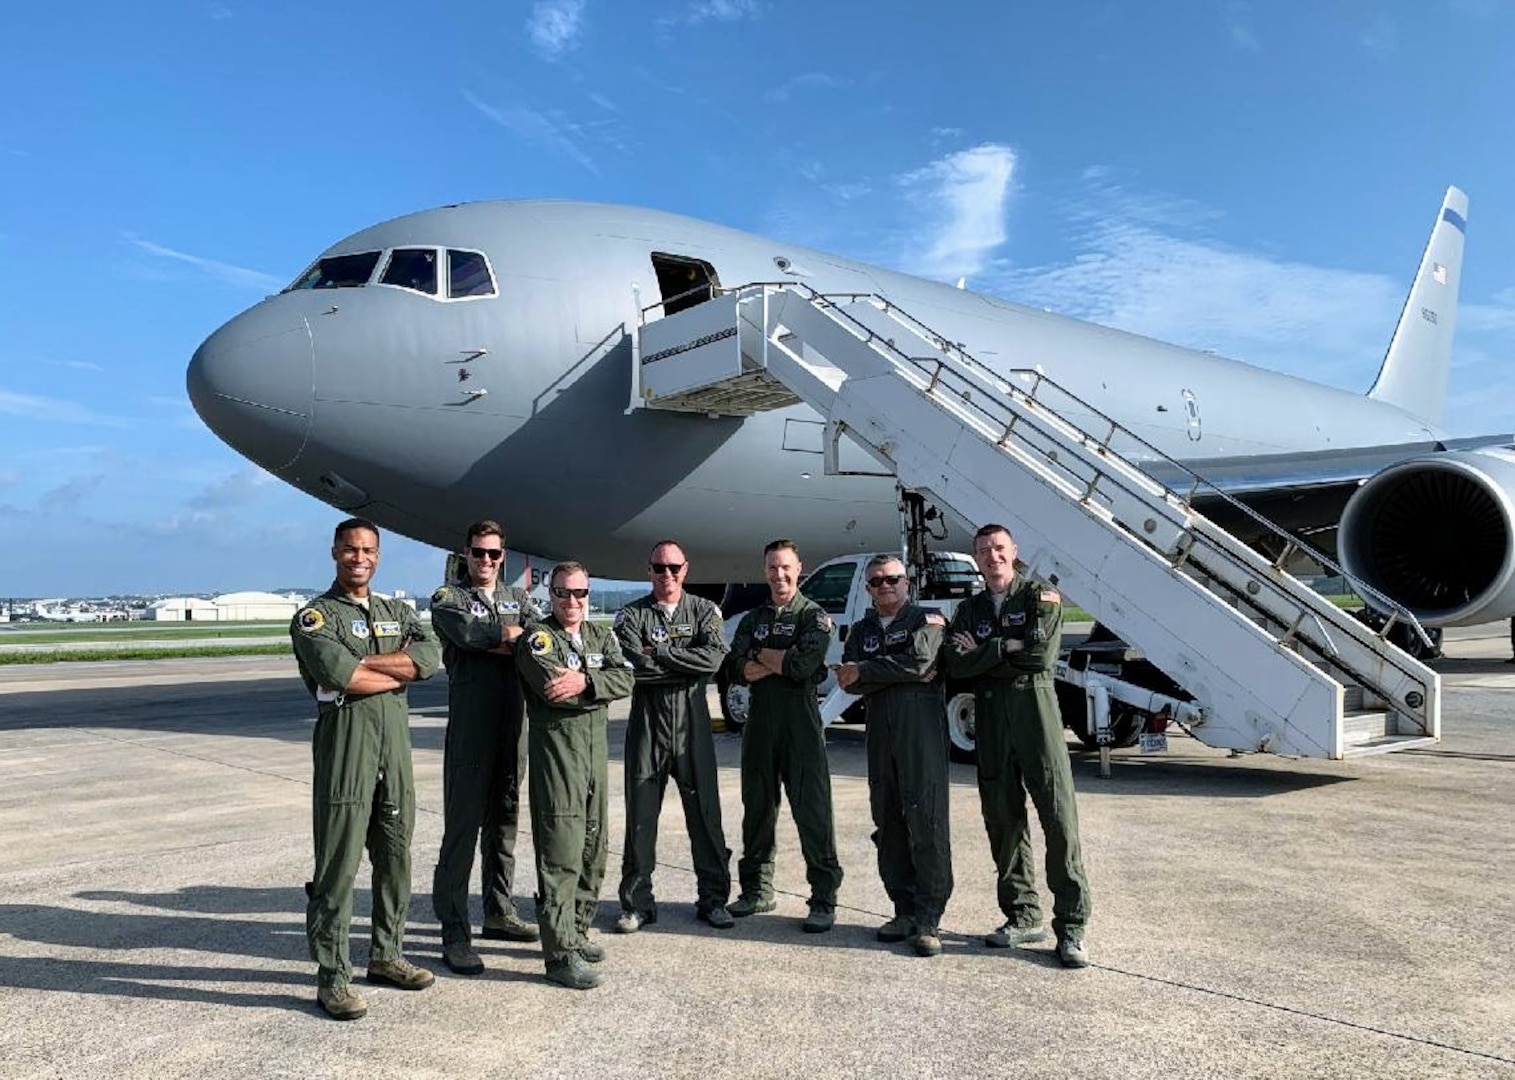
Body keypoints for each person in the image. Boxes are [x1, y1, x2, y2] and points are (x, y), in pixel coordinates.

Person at [289, 518, 442, 1021]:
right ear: (335, 552)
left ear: (378, 555)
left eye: (369, 550)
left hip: (394, 753)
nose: (360, 557)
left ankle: (387, 955)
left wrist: (376, 668)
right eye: (351, 549)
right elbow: (341, 675)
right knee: (338, 868)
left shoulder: (396, 609)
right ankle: (333, 977)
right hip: (346, 754)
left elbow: (430, 658)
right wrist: (396, 674)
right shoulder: (316, 617)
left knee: (396, 859)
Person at [945, 524, 1092, 968]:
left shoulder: (1039, 597)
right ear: (977, 558)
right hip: (990, 723)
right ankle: (1022, 915)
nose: (993, 556)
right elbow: (954, 660)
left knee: (1058, 820)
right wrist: (1007, 645)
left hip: (1036, 717)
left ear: (1014, 552)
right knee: (1003, 822)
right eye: (984, 551)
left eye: (999, 548)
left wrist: (986, 650)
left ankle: (1071, 927)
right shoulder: (968, 608)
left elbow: (1040, 655)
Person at [428, 520, 542, 977]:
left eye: (495, 554)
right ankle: (455, 933)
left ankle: (498, 911)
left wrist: (500, 637)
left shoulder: (520, 600)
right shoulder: (448, 598)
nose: (487, 561)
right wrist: (508, 637)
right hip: (471, 728)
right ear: (466, 553)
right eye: (479, 552)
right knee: (462, 829)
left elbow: (539, 640)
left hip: (512, 726)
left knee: (505, 822)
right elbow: (464, 634)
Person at [515, 562, 634, 990]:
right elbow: (553, 690)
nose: (572, 602)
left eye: (580, 593)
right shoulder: (537, 639)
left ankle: (577, 931)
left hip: (594, 757)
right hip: (559, 758)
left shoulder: (601, 634)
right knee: (560, 854)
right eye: (563, 593)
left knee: (593, 848)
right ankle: (559, 954)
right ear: (551, 594)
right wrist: (596, 687)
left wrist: (585, 681)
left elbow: (626, 678)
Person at [612, 540, 733, 933]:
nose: (667, 575)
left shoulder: (703, 611)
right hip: (647, 724)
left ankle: (714, 900)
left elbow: (713, 659)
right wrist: (684, 663)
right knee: (641, 816)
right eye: (659, 568)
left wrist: (661, 654)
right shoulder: (631, 615)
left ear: (686, 569)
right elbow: (634, 667)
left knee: (706, 816)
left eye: (674, 568)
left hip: (692, 723)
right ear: (648, 570)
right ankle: (637, 904)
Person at [836, 554, 953, 957]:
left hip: (920, 737)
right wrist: (886, 671)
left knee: (926, 820)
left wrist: (866, 671)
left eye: (893, 579)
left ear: (907, 583)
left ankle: (929, 917)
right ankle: (902, 909)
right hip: (880, 738)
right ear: (868, 589)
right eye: (877, 581)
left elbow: (921, 661)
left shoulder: (928, 620)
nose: (885, 586)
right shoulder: (863, 629)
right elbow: (846, 681)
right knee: (887, 820)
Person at [724, 539, 844, 932]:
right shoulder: (751, 619)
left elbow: (805, 664)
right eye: (772, 568)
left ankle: (823, 899)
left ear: (799, 568)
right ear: (765, 571)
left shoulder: (813, 616)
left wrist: (766, 657)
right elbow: (737, 669)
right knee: (757, 808)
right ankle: (757, 890)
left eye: (785, 567)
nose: (779, 575)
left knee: (813, 811)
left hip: (801, 725)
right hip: (760, 725)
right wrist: (780, 660)